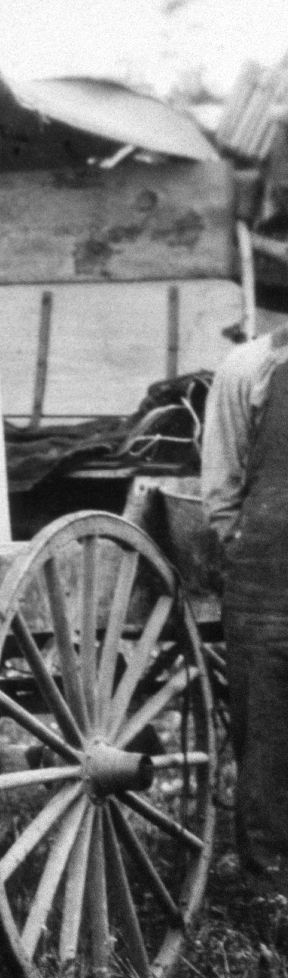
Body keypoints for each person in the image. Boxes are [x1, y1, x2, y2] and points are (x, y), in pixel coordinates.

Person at [202, 322, 288, 880]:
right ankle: (271, 875)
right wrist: (248, 545)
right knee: (266, 727)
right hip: (270, 573)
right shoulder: (248, 368)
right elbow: (222, 483)